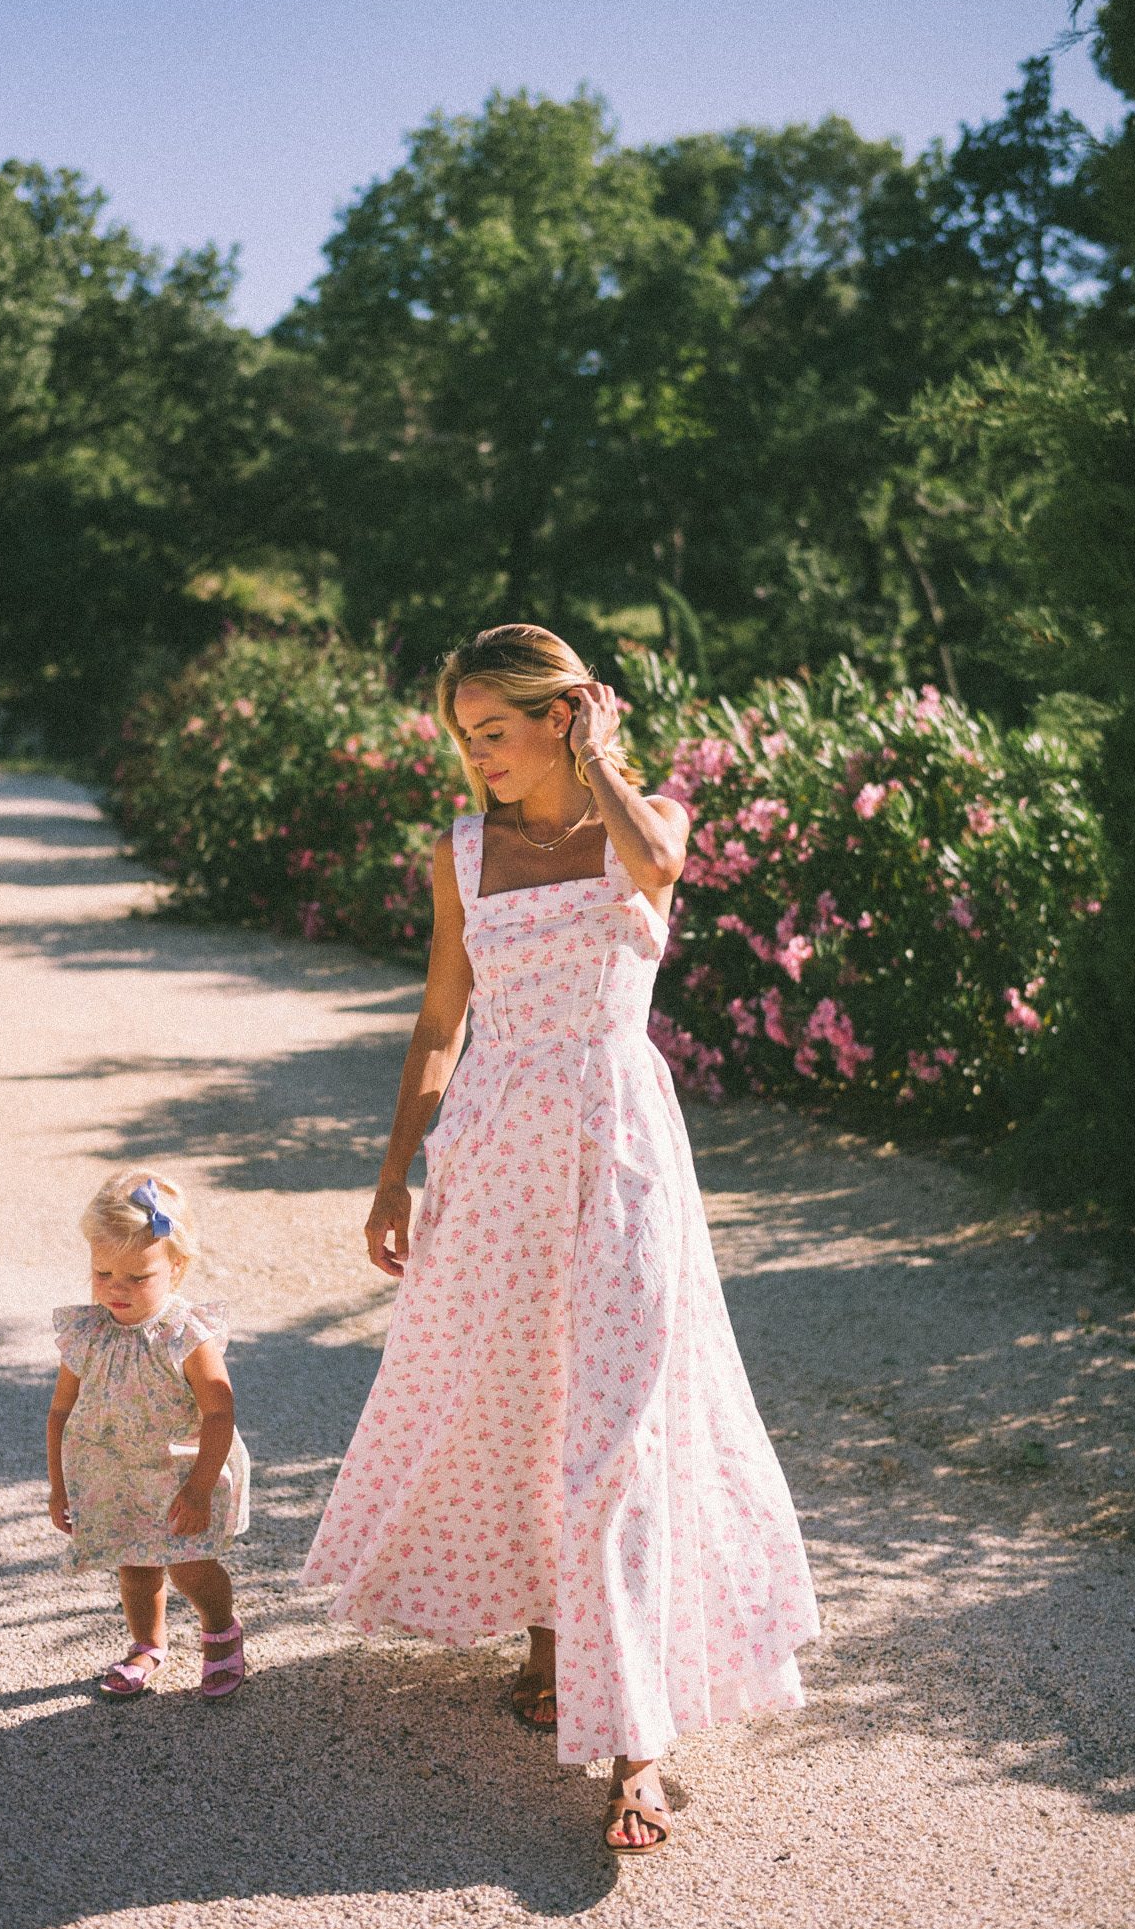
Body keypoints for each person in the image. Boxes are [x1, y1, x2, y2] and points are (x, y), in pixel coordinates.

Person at [301, 624, 819, 1850]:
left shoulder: (648, 820)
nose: (477, 756)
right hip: (490, 1154)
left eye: (497, 730)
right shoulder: (463, 856)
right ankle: (550, 1637)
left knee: (623, 1425)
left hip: (621, 1149)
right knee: (516, 1396)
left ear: (564, 717)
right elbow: (440, 1020)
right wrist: (392, 1177)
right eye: (463, 736)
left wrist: (599, 767)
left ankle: (637, 1747)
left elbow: (656, 868)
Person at [47, 1170, 250, 1700]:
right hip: (114, 1475)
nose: (117, 1288)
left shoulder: (185, 1334)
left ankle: (221, 1633)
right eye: (103, 1272)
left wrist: (201, 1486)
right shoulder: (87, 1333)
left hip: (181, 1472)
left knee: (191, 1568)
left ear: (176, 1270)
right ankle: (147, 1644)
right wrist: (59, 1486)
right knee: (135, 1568)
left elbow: (219, 1412)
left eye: (137, 1277)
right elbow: (60, 1412)